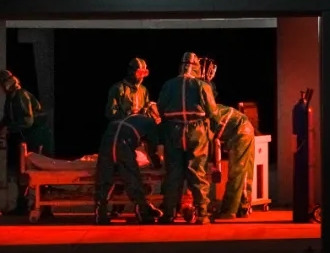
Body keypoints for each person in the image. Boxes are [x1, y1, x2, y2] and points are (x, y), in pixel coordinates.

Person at [157, 52, 219, 224]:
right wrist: (213, 131)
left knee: (173, 174)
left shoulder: (169, 84)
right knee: (197, 173)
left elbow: (161, 108)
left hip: (173, 131)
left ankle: (169, 214)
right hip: (196, 132)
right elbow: (213, 112)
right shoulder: (202, 85)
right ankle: (202, 214)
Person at [95, 103, 164, 225]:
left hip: (106, 143)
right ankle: (143, 213)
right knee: (132, 179)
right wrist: (157, 164)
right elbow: (151, 149)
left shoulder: (128, 118)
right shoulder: (150, 123)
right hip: (123, 146)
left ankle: (100, 214)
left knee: (104, 179)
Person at [0, 70, 54, 216]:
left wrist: (9, 128)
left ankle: (45, 207)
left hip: (38, 137)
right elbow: (8, 116)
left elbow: (28, 121)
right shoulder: (11, 98)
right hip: (27, 138)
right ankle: (23, 204)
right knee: (22, 171)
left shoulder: (21, 96)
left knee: (39, 171)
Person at [212, 104, 255, 221]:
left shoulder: (203, 117)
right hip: (245, 128)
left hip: (240, 131)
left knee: (237, 173)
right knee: (244, 171)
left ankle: (229, 210)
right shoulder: (211, 108)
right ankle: (243, 207)